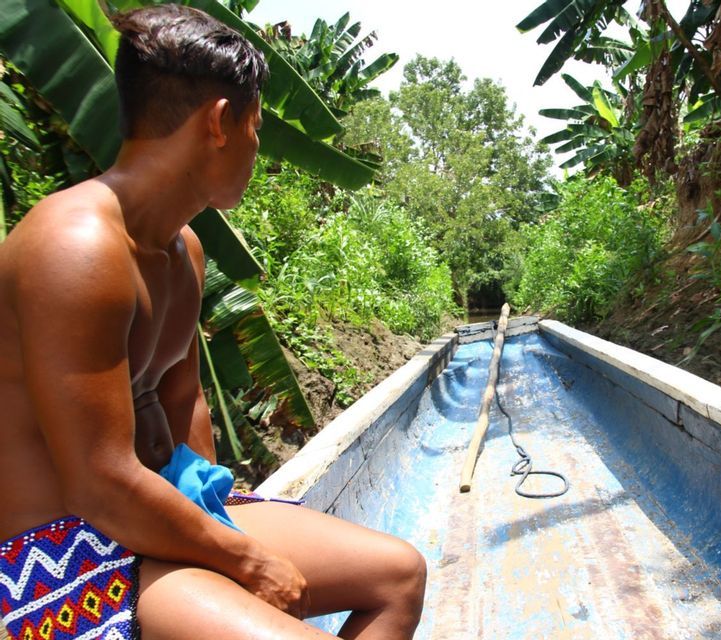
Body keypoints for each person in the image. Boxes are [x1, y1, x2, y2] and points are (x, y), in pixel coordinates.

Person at [0, 5, 426, 639]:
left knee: (399, 576)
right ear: (221, 123)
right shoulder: (75, 247)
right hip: (65, 550)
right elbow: (99, 481)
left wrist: (215, 521)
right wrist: (245, 560)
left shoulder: (184, 250)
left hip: (160, 511)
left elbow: (183, 399)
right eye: (256, 127)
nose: (259, 150)